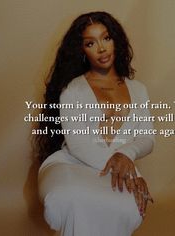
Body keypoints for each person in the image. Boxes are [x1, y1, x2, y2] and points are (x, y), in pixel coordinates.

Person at [35, 11, 155, 236]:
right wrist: (132, 175)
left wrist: (126, 155)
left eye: (106, 38)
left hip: (117, 168)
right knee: (68, 198)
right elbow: (78, 145)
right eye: (91, 43)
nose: (101, 48)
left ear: (116, 41)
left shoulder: (139, 90)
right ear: (82, 50)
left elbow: (148, 138)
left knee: (128, 207)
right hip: (72, 163)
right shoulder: (73, 89)